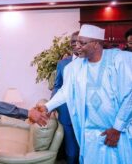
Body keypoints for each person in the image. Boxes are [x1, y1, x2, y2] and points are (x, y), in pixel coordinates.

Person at [38, 24, 132, 164]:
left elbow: (130, 95)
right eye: (76, 42)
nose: (77, 46)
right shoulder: (73, 68)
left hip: (117, 132)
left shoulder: (119, 60)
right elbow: (65, 91)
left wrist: (118, 128)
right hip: (90, 134)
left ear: (96, 44)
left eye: (82, 43)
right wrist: (47, 107)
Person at [51, 31, 79, 164]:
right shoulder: (63, 63)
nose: (76, 44)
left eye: (79, 41)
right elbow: (57, 86)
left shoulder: (91, 62)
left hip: (87, 114)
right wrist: (51, 105)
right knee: (71, 151)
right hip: (66, 112)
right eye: (73, 41)